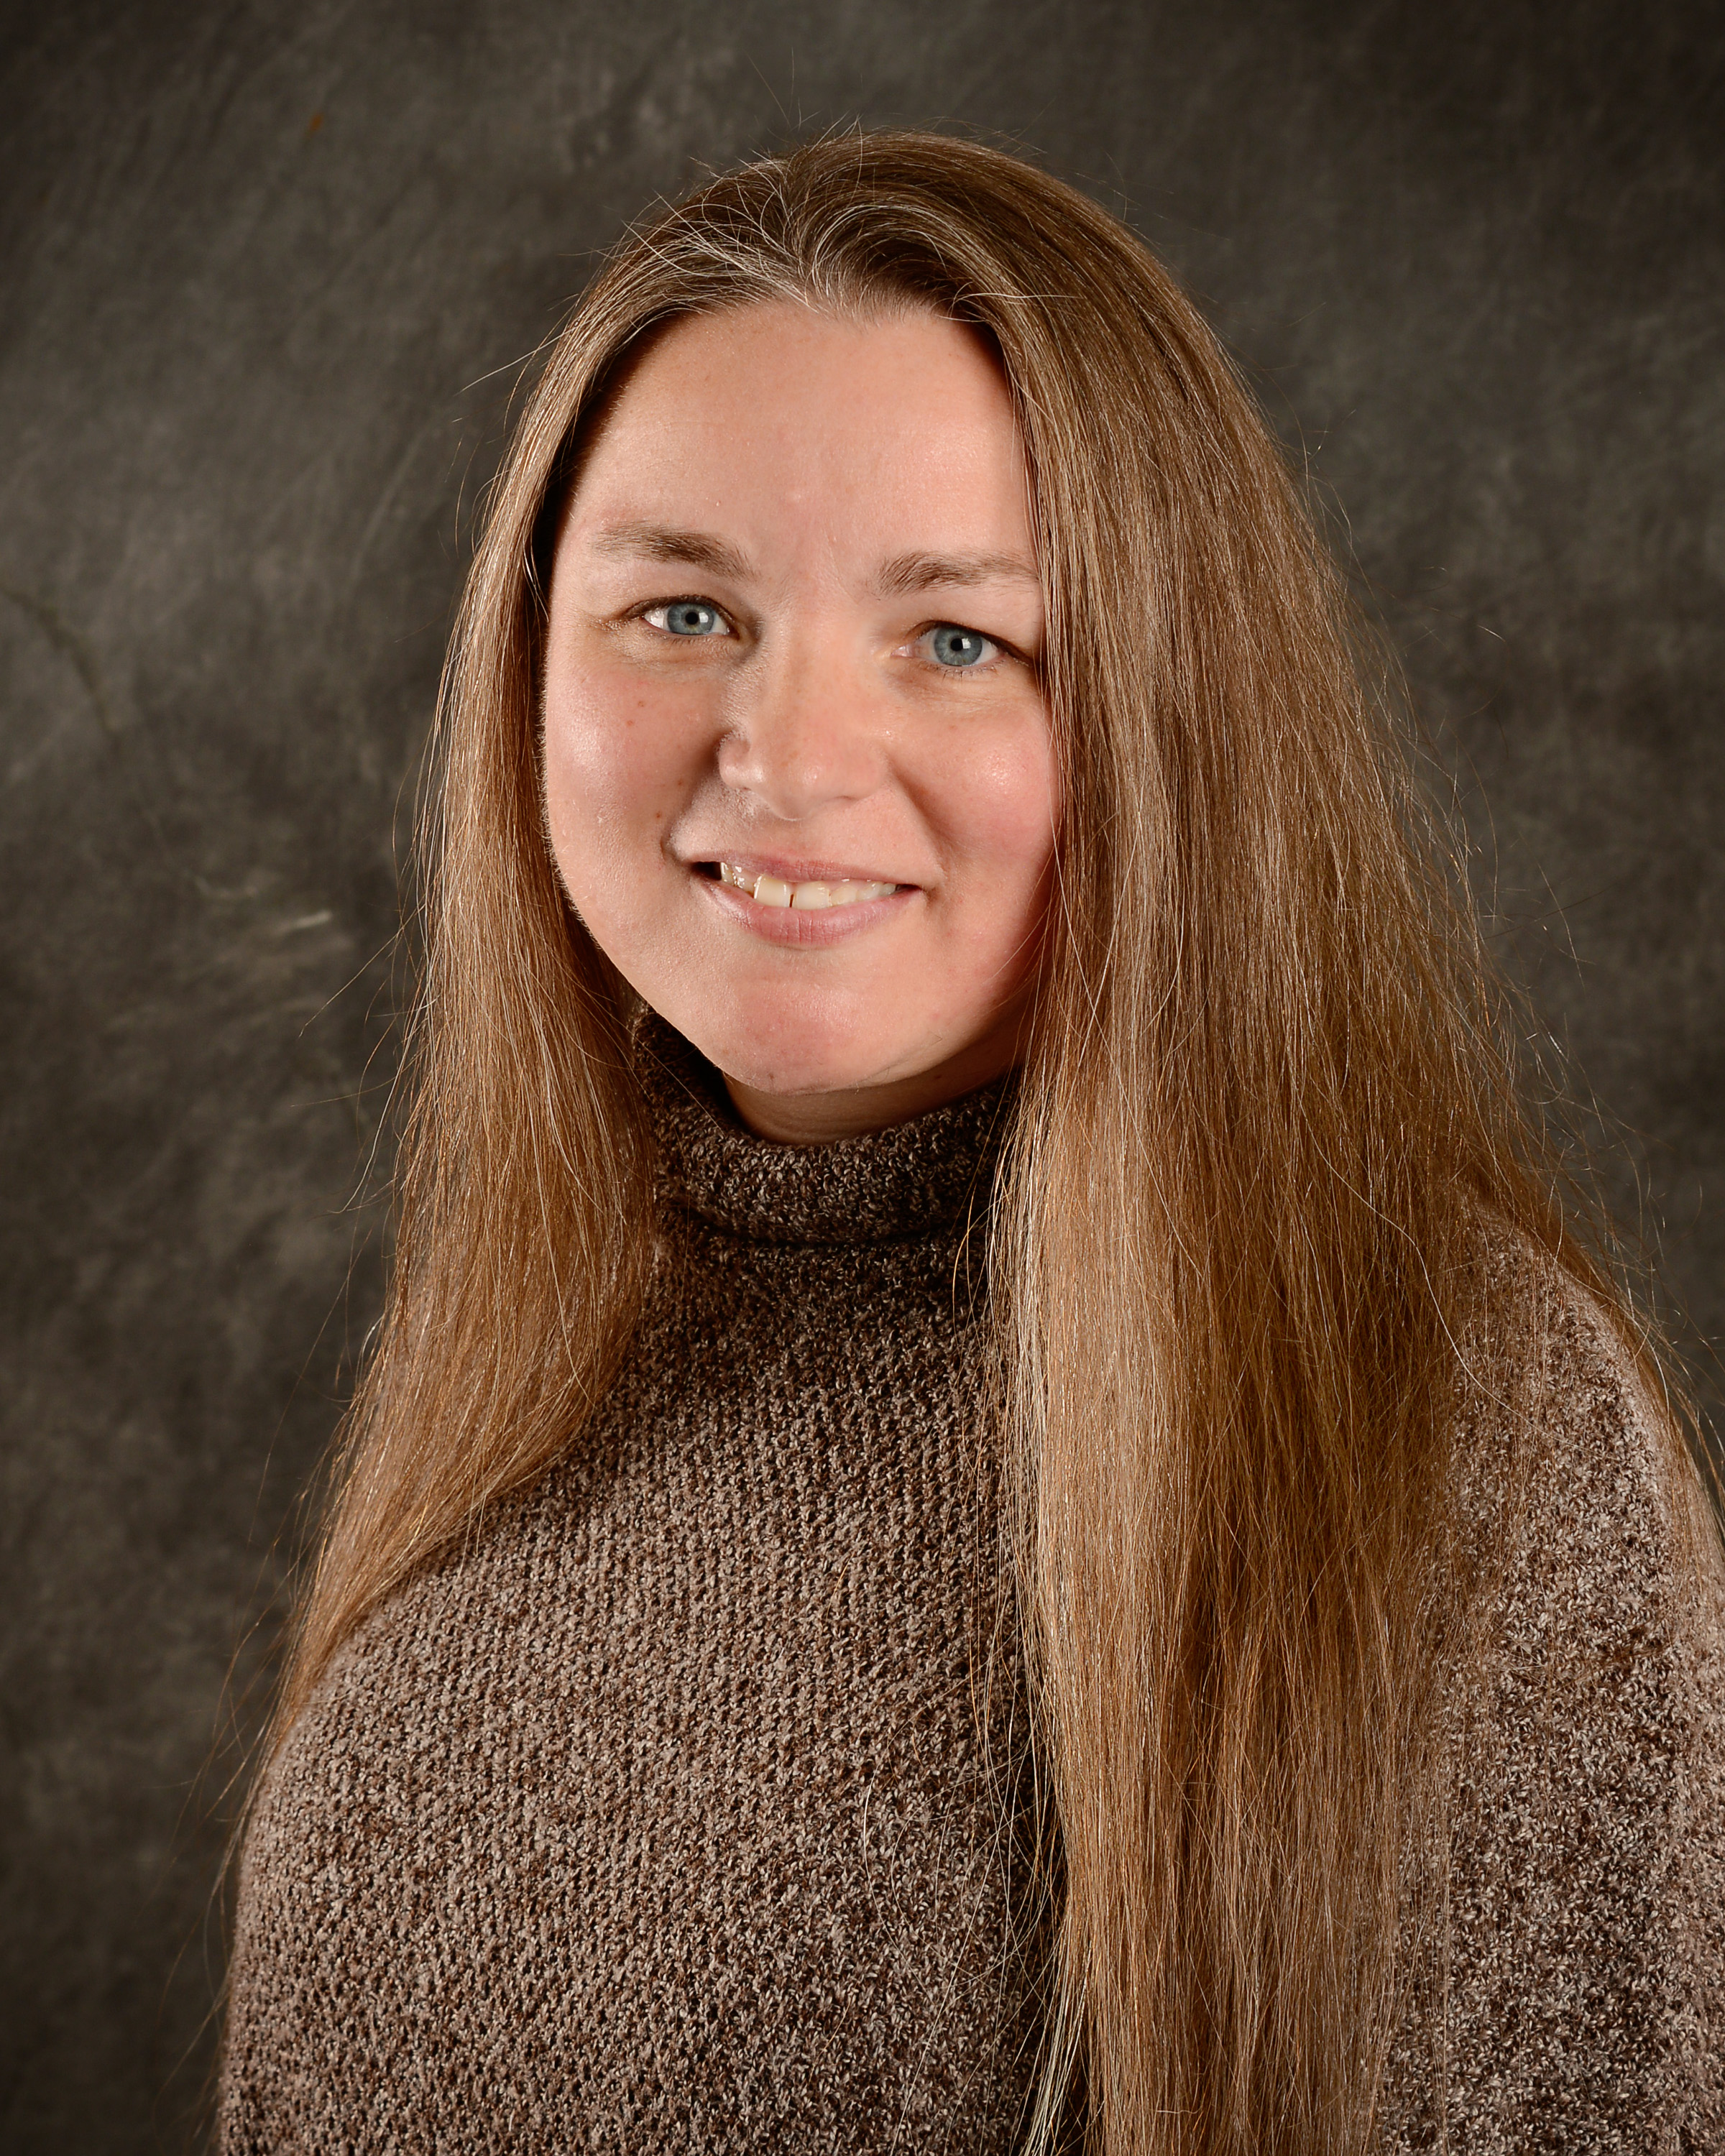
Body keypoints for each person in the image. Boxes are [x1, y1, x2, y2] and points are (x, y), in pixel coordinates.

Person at [215, 132, 1724, 2155]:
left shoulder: (1434, 1413)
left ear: (1166, 723)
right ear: (520, 667)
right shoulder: (520, 1372)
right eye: (678, 610)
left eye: (958, 643)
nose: (789, 757)